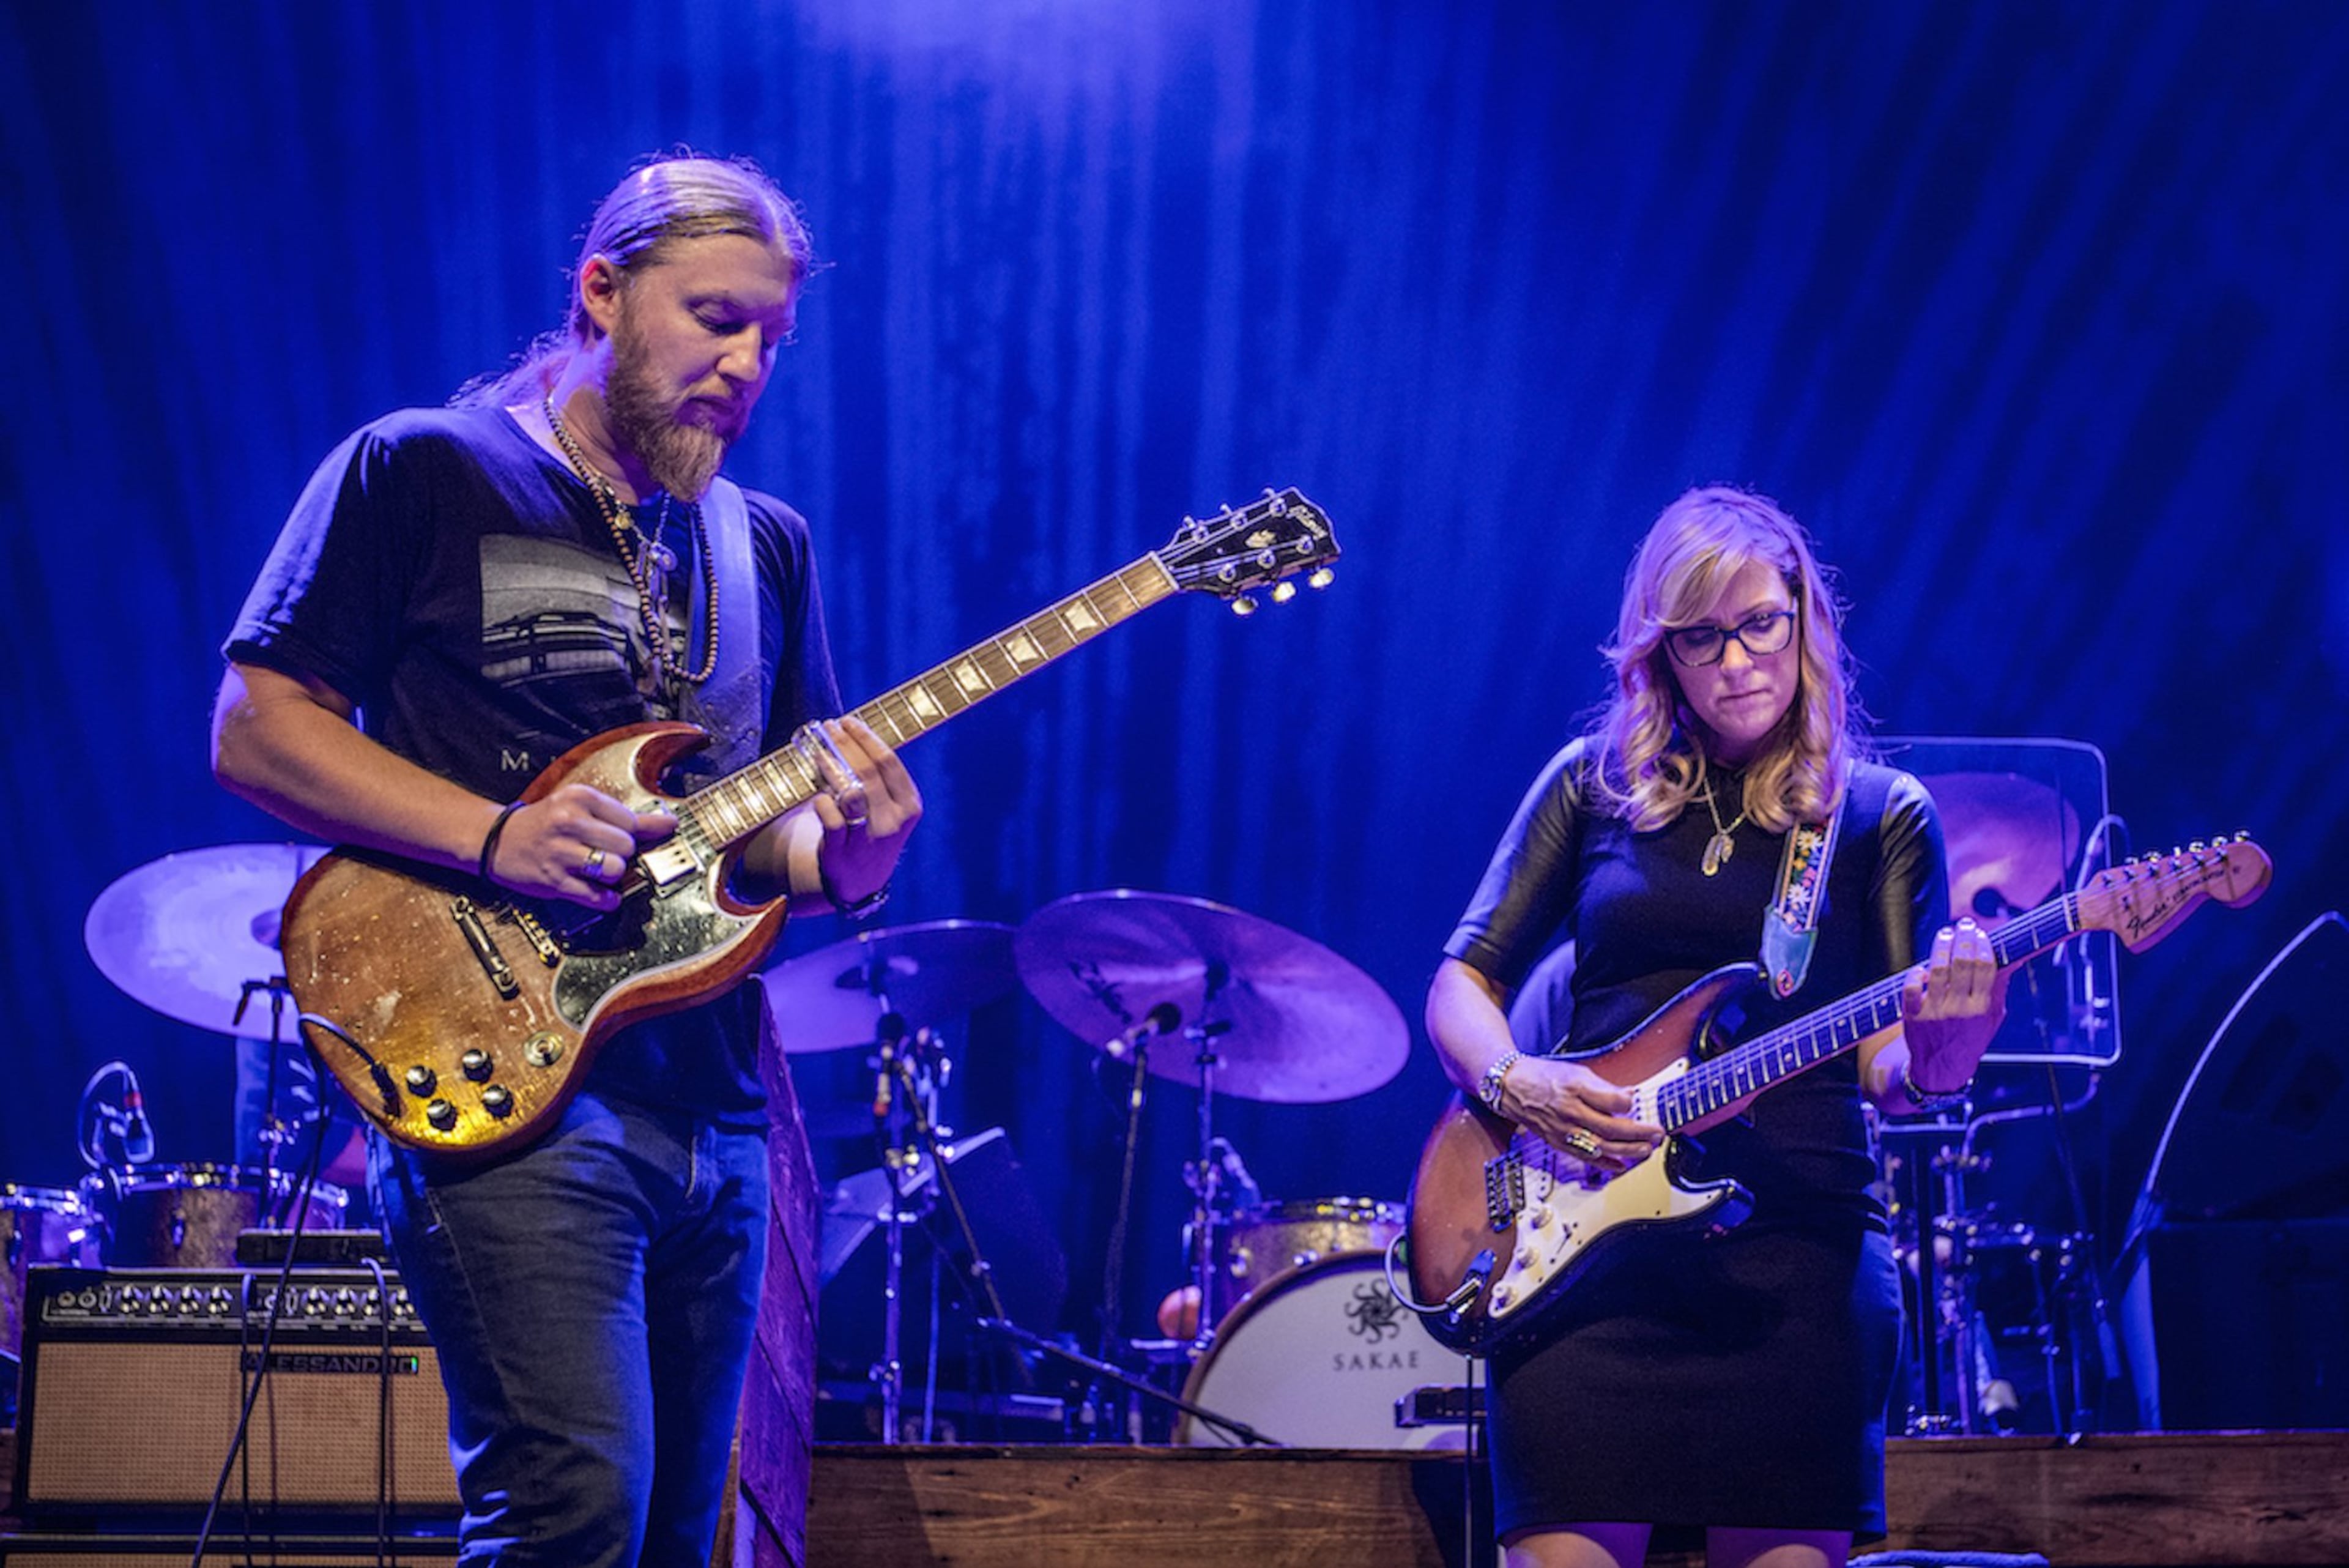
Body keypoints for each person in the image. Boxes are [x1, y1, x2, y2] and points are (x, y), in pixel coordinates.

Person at [212, 153, 920, 1566]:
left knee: (668, 1538)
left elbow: (760, 830)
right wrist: (499, 835)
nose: (746, 362)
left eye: (773, 338)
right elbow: (258, 730)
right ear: (600, 290)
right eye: (716, 317)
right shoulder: (424, 465)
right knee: (567, 1514)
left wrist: (858, 853)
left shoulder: (759, 541)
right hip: (509, 1074)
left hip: (716, 1111)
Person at [1425, 485, 2005, 1568]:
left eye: (1760, 626)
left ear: (1806, 622)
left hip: (1795, 1262)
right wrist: (1518, 1083)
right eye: (1702, 638)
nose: (1738, 660)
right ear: (1660, 654)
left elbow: (1895, 1076)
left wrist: (1951, 1047)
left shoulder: (1878, 814)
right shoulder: (1591, 790)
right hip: (1585, 1257)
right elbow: (1461, 984)